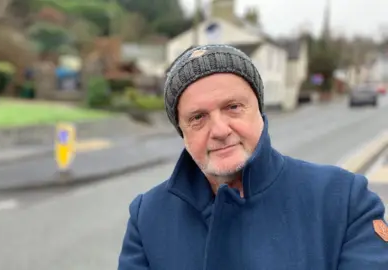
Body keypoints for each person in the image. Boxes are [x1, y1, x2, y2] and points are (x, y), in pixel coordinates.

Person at [117, 44, 388, 270]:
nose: (220, 131)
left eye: (233, 107)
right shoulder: (147, 217)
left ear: (260, 110)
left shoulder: (345, 200)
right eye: (198, 118)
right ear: (182, 132)